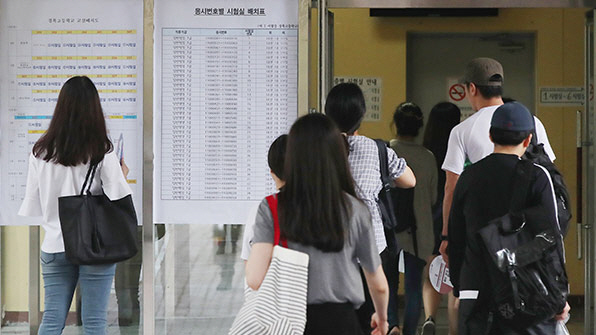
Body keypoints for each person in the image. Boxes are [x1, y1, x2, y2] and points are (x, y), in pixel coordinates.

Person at [246, 113, 389, 335]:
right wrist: (381, 318)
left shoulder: (272, 207)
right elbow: (378, 283)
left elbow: (254, 279)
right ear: (336, 155)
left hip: (289, 322)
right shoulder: (355, 209)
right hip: (342, 323)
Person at [18, 76, 131, 334]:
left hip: (55, 245)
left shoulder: (40, 152)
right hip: (94, 246)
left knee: (52, 319)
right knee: (94, 322)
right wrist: (122, 173)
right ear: (94, 108)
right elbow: (119, 197)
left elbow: (33, 206)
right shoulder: (102, 150)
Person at [448, 101, 570, 334]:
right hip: (526, 291)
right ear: (528, 140)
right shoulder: (537, 176)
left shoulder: (468, 177)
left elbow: (456, 237)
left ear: (491, 135)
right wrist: (558, 295)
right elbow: (550, 239)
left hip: (477, 291)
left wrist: (460, 287)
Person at [440, 57, 555, 263]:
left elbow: (452, 187)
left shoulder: (462, 130)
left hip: (484, 228)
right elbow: (549, 174)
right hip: (528, 230)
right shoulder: (533, 122)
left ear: (472, 88)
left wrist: (447, 236)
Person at [324, 83, 416, 333]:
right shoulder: (376, 149)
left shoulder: (319, 149)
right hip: (372, 246)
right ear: (361, 116)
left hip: (328, 248)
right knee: (372, 320)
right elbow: (410, 180)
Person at [388, 102, 437, 335]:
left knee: (387, 283)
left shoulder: (386, 151)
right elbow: (434, 196)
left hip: (390, 228)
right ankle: (408, 331)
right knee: (414, 286)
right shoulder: (428, 157)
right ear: (419, 127)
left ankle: (391, 327)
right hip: (420, 230)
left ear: (395, 124)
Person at [420, 102, 461, 335]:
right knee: (457, 276)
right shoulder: (459, 147)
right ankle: (454, 328)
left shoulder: (426, 152)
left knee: (432, 270)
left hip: (429, 218)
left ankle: (430, 317)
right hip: (454, 218)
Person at [240, 134, 287, 261]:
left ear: (272, 172)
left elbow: (253, 276)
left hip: (272, 279)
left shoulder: (264, 209)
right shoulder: (323, 207)